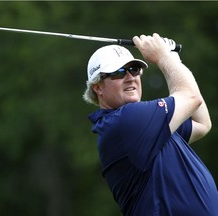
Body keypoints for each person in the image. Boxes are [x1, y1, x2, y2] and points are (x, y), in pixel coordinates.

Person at [83, 33, 218, 215]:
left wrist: (173, 59)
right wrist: (164, 57)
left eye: (134, 70)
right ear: (97, 87)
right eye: (119, 72)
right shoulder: (125, 120)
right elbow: (191, 97)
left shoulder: (147, 124)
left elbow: (201, 123)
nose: (130, 77)